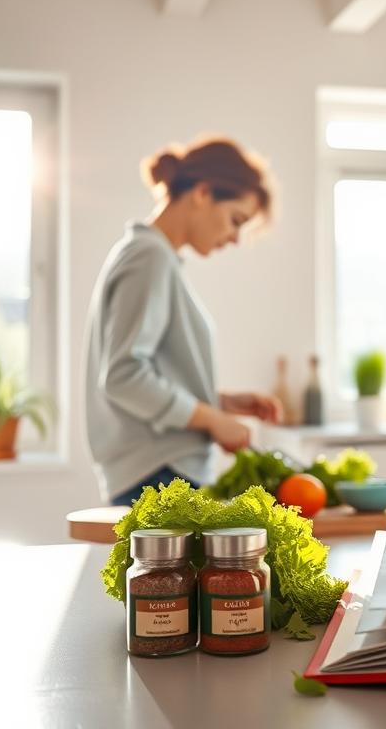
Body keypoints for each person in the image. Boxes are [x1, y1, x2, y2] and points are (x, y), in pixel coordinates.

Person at [86, 137, 283, 506]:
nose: (235, 238)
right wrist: (211, 419)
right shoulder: (150, 258)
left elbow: (152, 373)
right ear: (203, 193)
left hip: (159, 472)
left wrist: (221, 402)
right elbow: (123, 376)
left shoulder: (153, 257)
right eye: (235, 220)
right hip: (157, 476)